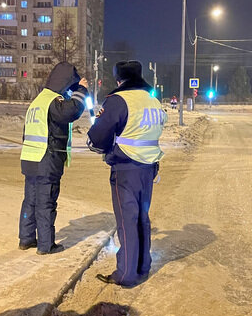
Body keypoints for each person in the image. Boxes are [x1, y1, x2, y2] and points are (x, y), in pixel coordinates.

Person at [87, 60, 165, 287]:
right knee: (142, 217)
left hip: (125, 167)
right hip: (148, 167)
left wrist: (96, 143)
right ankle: (143, 265)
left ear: (120, 79)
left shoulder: (118, 100)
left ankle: (126, 274)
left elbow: (99, 134)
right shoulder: (153, 100)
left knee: (126, 220)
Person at [19, 62, 88, 254]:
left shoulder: (37, 101)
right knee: (46, 202)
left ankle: (26, 239)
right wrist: (82, 90)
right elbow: (72, 110)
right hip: (45, 159)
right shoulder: (53, 101)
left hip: (30, 159)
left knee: (30, 201)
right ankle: (46, 245)